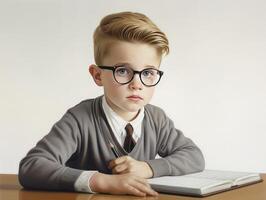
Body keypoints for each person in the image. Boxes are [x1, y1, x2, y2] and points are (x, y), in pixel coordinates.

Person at [19, 11, 205, 197]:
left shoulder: (157, 119)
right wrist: (102, 181)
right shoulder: (80, 119)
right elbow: (32, 167)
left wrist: (147, 168)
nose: (137, 84)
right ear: (98, 75)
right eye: (123, 71)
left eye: (148, 72)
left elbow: (194, 156)